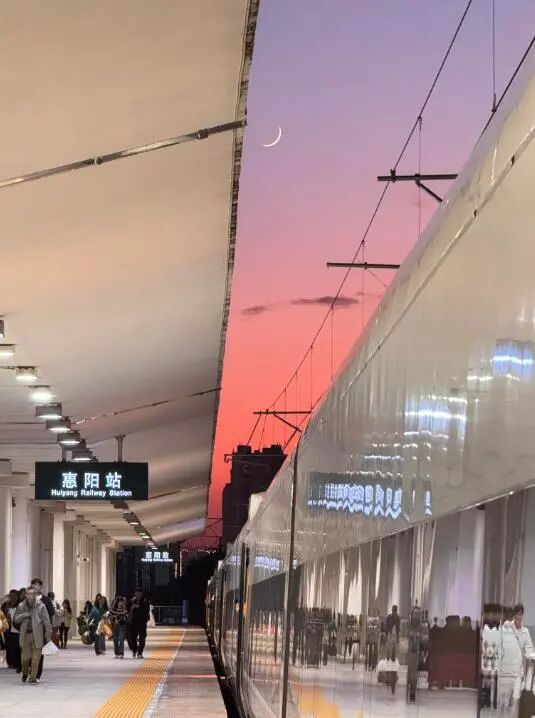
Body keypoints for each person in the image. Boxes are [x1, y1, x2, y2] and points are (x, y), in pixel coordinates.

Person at [499, 603, 535, 716]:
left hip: (517, 673)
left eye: (521, 614)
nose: (519, 616)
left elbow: (529, 650)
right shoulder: (506, 629)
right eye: (517, 614)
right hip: (505, 672)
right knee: (504, 703)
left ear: (523, 615)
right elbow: (499, 647)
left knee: (515, 701)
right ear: (514, 615)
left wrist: (532, 658)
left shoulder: (525, 632)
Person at [14, 586, 52, 684]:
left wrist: (48, 635)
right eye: (28, 594)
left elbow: (47, 621)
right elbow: (16, 619)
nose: (30, 596)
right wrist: (24, 615)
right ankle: (25, 672)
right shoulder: (21, 606)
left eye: (32, 594)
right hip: (25, 636)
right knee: (25, 659)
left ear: (35, 594)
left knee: (36, 659)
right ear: (26, 595)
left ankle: (33, 678)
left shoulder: (41, 606)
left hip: (37, 635)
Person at [1, 589, 21, 671]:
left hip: (17, 629)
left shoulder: (20, 605)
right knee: (9, 647)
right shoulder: (5, 605)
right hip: (7, 629)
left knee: (16, 647)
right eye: (11, 596)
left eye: (14, 596)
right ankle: (10, 663)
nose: (12, 598)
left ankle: (17, 663)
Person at [128, 589, 150, 658]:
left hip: (142, 623)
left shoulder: (145, 601)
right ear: (135, 594)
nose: (138, 595)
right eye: (137, 593)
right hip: (133, 623)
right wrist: (132, 607)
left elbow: (146, 610)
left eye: (139, 593)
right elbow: (127, 609)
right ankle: (134, 650)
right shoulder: (132, 601)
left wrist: (139, 607)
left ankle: (140, 652)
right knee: (132, 638)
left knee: (142, 638)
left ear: (142, 594)